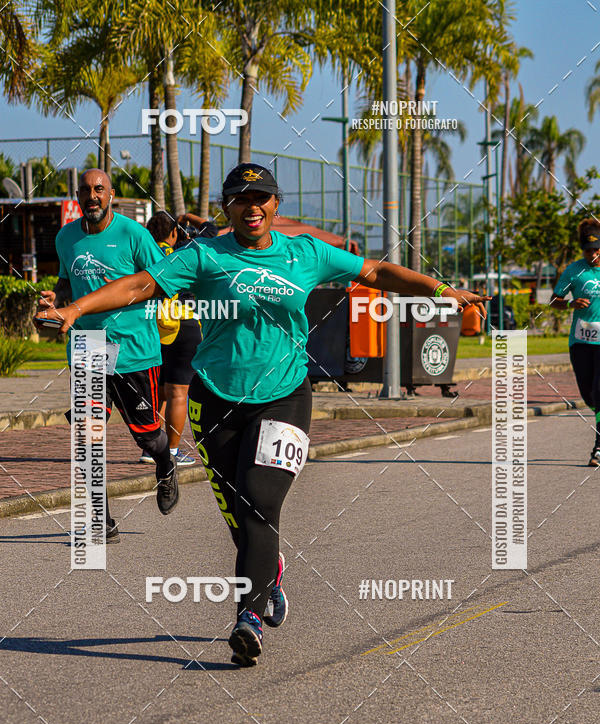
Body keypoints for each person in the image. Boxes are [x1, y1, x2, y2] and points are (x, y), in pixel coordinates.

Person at [36, 163, 485, 664]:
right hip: (216, 400)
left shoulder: (305, 252)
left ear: (277, 204)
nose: (253, 207)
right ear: (227, 207)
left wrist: (441, 291)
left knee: (259, 501)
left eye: (263, 198)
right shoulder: (204, 255)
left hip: (285, 396)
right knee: (238, 515)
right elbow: (140, 285)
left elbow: (376, 272)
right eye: (242, 199)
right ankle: (269, 572)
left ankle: (247, 617)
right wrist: (75, 311)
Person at [37, 169, 180, 545]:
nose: (92, 196)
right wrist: (55, 302)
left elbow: (161, 285)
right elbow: (66, 282)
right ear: (79, 196)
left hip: (134, 350)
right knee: (88, 438)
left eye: (99, 189)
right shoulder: (66, 236)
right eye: (85, 190)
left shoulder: (135, 236)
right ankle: (100, 518)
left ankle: (166, 466)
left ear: (111, 194)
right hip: (88, 348)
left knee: (148, 436)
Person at [141, 211, 202, 467]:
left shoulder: (144, 256)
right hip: (184, 324)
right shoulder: (184, 251)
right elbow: (213, 227)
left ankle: (151, 449)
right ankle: (173, 452)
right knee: (178, 393)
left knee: (158, 392)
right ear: (174, 233)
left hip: (152, 325)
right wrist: (187, 216)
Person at [551, 218, 600, 466]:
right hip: (580, 341)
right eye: (588, 250)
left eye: (597, 249)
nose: (593, 254)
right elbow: (554, 300)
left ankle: (598, 447)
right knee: (589, 395)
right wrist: (570, 303)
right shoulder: (574, 270)